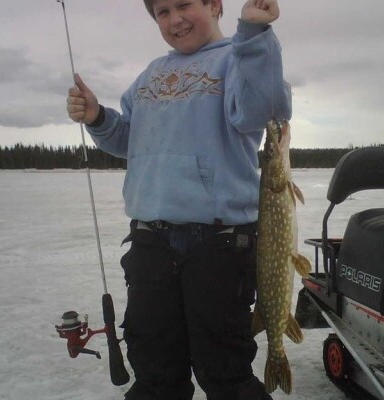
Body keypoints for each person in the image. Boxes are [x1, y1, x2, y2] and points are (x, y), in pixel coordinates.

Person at [66, 0, 291, 399]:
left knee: (224, 371)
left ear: (215, 5)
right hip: (151, 241)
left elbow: (265, 108)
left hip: (219, 244)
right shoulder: (151, 75)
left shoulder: (238, 60)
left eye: (184, 5)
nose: (175, 19)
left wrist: (255, 33)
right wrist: (99, 117)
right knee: (155, 371)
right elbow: (127, 140)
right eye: (163, 12)